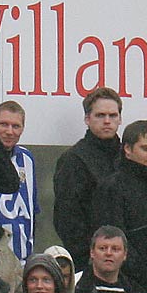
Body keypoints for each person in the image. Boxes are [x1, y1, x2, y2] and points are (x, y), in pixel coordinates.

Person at [94, 120, 147, 284]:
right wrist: (146, 274)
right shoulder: (112, 188)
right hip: (130, 284)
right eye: (146, 148)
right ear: (128, 149)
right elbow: (112, 240)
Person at [52, 87, 122, 271]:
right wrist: (89, 258)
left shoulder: (129, 157)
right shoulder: (73, 160)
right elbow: (66, 219)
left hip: (128, 262)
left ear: (120, 119)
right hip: (90, 263)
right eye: (100, 115)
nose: (107, 121)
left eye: (113, 115)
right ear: (87, 119)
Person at [0, 100, 39, 260]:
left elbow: (32, 211)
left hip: (23, 259)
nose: (9, 131)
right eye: (4, 124)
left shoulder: (27, 159)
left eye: (16, 126)